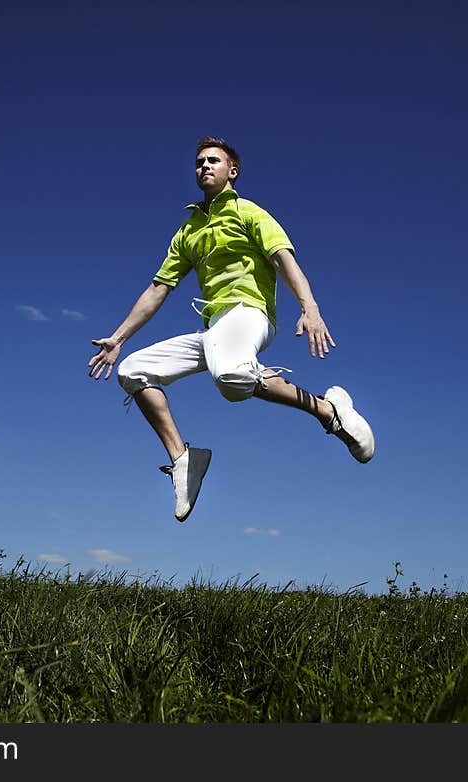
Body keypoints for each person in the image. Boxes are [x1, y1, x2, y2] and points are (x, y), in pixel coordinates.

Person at [88, 137, 374, 522]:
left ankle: (329, 411)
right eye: (199, 162)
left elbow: (283, 261)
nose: (204, 166)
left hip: (250, 313)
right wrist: (119, 339)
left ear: (232, 171)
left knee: (231, 376)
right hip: (215, 329)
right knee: (132, 371)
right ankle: (184, 460)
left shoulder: (249, 212)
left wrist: (311, 308)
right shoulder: (189, 230)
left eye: (213, 161)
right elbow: (159, 288)